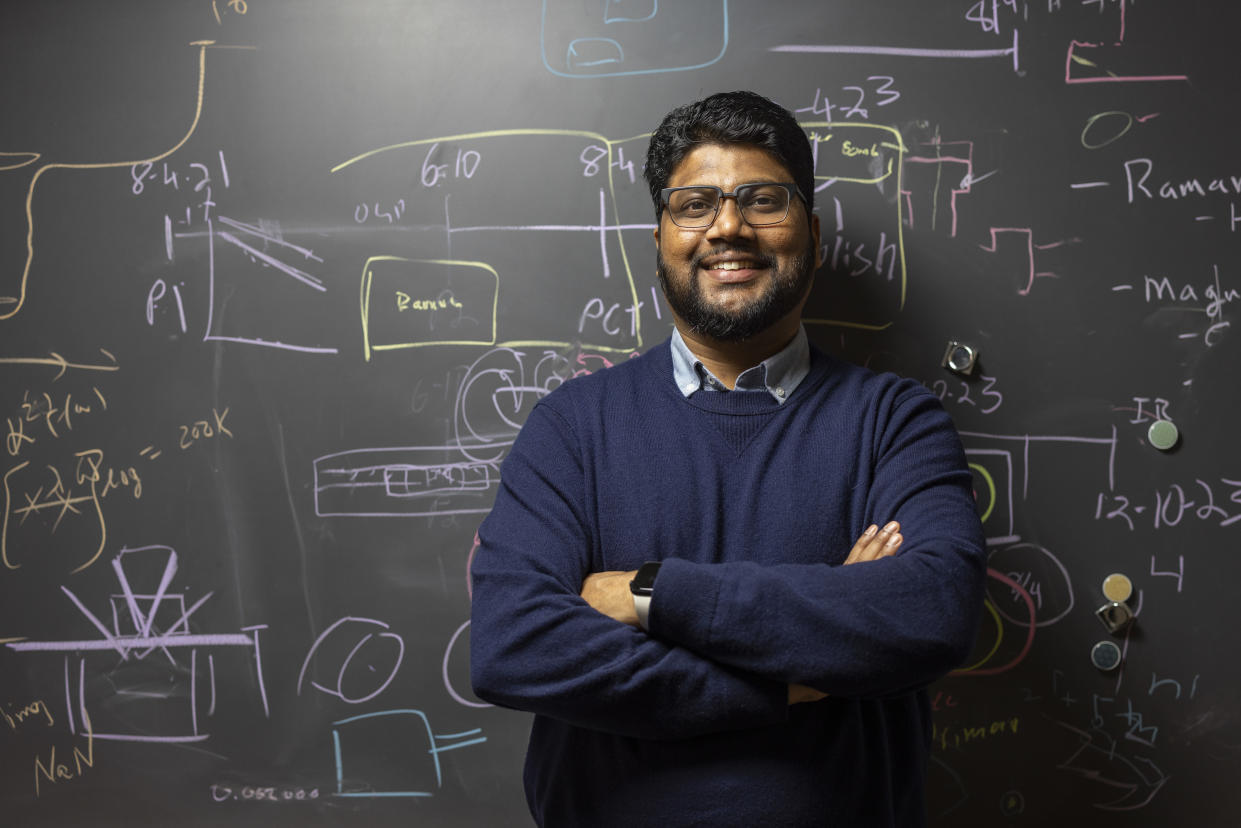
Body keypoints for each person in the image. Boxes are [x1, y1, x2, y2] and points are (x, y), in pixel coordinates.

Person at [469, 90, 986, 827]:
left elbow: (931, 612)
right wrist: (789, 677)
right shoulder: (571, 428)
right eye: (695, 204)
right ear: (660, 235)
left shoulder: (894, 422)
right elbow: (512, 645)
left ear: (807, 230)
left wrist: (650, 595)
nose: (728, 227)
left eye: (760, 200)